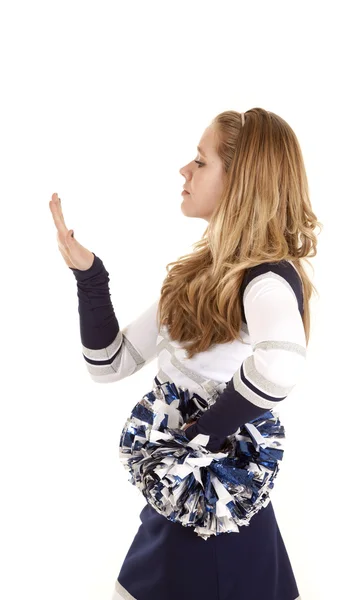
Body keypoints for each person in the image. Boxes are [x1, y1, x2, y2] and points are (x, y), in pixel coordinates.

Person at [49, 107, 322, 600]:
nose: (185, 171)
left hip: (215, 513)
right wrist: (91, 278)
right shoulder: (197, 277)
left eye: (200, 161)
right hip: (179, 505)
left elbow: (283, 364)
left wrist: (205, 432)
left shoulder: (265, 280)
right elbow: (109, 363)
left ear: (239, 181)